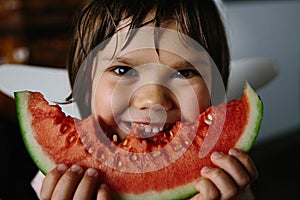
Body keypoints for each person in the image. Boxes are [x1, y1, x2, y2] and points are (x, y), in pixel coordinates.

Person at [36, 0, 258, 199]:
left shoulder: (224, 181)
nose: (153, 100)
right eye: (123, 70)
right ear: (85, 86)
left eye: (184, 73)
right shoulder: (63, 179)